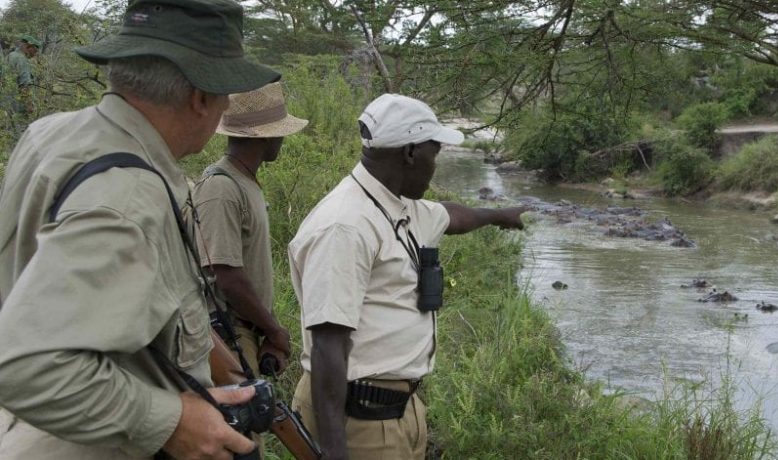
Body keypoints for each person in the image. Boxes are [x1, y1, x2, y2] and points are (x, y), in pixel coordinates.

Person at [0, 0, 280, 458]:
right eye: (226, 93)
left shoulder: (49, 134)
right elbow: (26, 365)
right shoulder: (130, 197)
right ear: (200, 97)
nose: (226, 106)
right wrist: (171, 422)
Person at [288, 93, 528, 460]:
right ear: (411, 153)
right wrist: (334, 451)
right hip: (359, 419)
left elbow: (452, 216)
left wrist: (499, 216)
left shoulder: (398, 206)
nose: (436, 164)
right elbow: (328, 345)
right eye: (436, 152)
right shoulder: (345, 227)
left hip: (399, 411)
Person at [193, 81, 308, 376]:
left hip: (244, 330)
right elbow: (226, 275)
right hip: (226, 337)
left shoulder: (244, 182)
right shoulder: (221, 187)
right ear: (266, 137)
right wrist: (274, 331)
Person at [4, 35, 41, 114]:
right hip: (16, 107)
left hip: (5, 104)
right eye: (35, 50)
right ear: (28, 46)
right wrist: (29, 105)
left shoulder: (10, 55)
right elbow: (24, 85)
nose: (35, 54)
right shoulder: (22, 59)